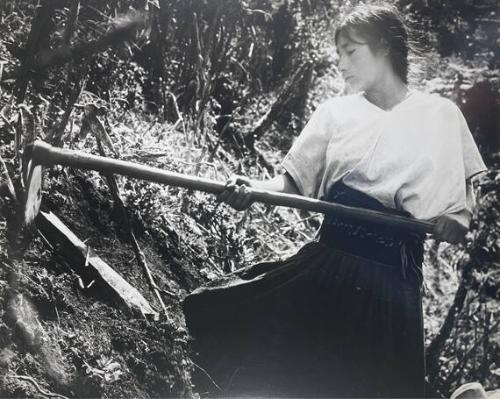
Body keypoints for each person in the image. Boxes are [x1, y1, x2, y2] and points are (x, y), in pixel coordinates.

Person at [182, 3, 488, 398]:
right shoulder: (335, 113)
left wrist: (459, 218)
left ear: (385, 48)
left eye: (352, 51)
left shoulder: (440, 115)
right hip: (329, 262)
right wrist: (253, 188)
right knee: (234, 325)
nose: (342, 63)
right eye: (338, 53)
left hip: (391, 281)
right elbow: (291, 184)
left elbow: (461, 203)